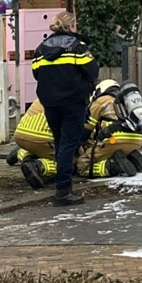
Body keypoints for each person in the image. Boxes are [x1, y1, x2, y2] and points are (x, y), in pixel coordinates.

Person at [31, 11, 98, 206]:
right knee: (68, 145)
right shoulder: (77, 47)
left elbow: (37, 74)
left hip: (50, 103)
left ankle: (64, 189)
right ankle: (62, 192)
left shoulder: (41, 48)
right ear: (71, 27)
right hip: (73, 103)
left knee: (60, 143)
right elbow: (93, 71)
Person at [76, 80, 142, 178]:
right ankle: (132, 158)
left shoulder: (101, 101)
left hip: (114, 140)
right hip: (136, 141)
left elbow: (85, 133)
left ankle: (114, 166)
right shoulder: (125, 101)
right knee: (117, 153)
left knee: (82, 165)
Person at [6, 97, 58, 190]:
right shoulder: (84, 97)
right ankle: (39, 166)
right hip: (43, 138)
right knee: (69, 160)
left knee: (41, 149)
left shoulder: (49, 88)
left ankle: (22, 153)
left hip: (21, 132)